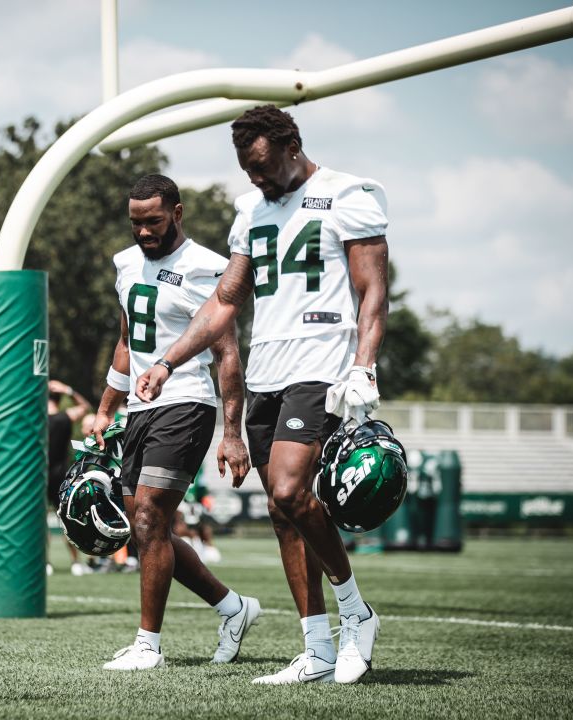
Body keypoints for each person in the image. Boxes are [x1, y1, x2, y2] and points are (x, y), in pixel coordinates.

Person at [135, 105, 390, 685]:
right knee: (281, 513)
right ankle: (317, 648)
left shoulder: (350, 193)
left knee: (290, 489)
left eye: (262, 165)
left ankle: (357, 612)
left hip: (321, 363)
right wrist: (167, 363)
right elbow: (225, 301)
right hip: (266, 371)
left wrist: (363, 365)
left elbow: (372, 291)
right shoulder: (250, 210)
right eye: (246, 169)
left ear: (291, 144)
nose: (256, 178)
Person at [89, 173, 258, 671]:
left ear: (177, 213)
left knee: (149, 519)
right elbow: (127, 343)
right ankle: (233, 607)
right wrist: (105, 408)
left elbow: (227, 354)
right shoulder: (124, 264)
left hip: (186, 404)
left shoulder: (208, 267)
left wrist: (233, 434)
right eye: (136, 223)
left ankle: (148, 646)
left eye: (154, 221)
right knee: (145, 530)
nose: (143, 232)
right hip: (139, 410)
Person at [47, 379, 92, 576]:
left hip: (39, 477)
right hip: (60, 475)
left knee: (40, 524)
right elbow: (86, 406)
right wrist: (69, 389)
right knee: (66, 521)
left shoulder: (35, 418)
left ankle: (45, 563)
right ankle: (75, 562)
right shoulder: (65, 417)